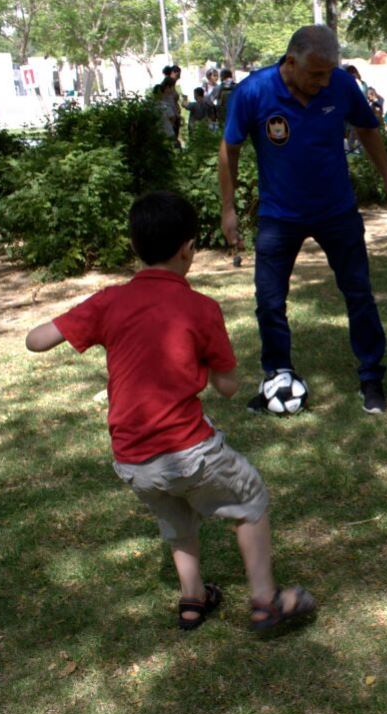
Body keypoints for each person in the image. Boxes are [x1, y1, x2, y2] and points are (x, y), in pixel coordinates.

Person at [25, 191, 317, 633]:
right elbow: (228, 386)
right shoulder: (201, 309)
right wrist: (200, 363)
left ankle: (193, 599)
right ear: (188, 249)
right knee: (249, 499)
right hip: (187, 452)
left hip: (131, 460)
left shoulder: (109, 302)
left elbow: (36, 340)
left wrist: (77, 322)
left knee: (177, 520)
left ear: (134, 247)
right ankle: (265, 601)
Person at [218, 24, 387, 415]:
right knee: (269, 302)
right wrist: (228, 208)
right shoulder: (253, 92)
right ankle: (278, 376)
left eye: (328, 73)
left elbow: (368, 129)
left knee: (358, 293)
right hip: (278, 217)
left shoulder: (338, 84)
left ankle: (371, 376)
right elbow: (230, 149)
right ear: (291, 62)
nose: (324, 82)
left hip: (336, 211)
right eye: (316, 74)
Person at [344, 65, 368, 153]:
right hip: (362, 113)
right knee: (357, 135)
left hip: (355, 113)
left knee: (353, 135)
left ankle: (353, 152)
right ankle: (360, 152)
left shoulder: (352, 83)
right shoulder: (363, 83)